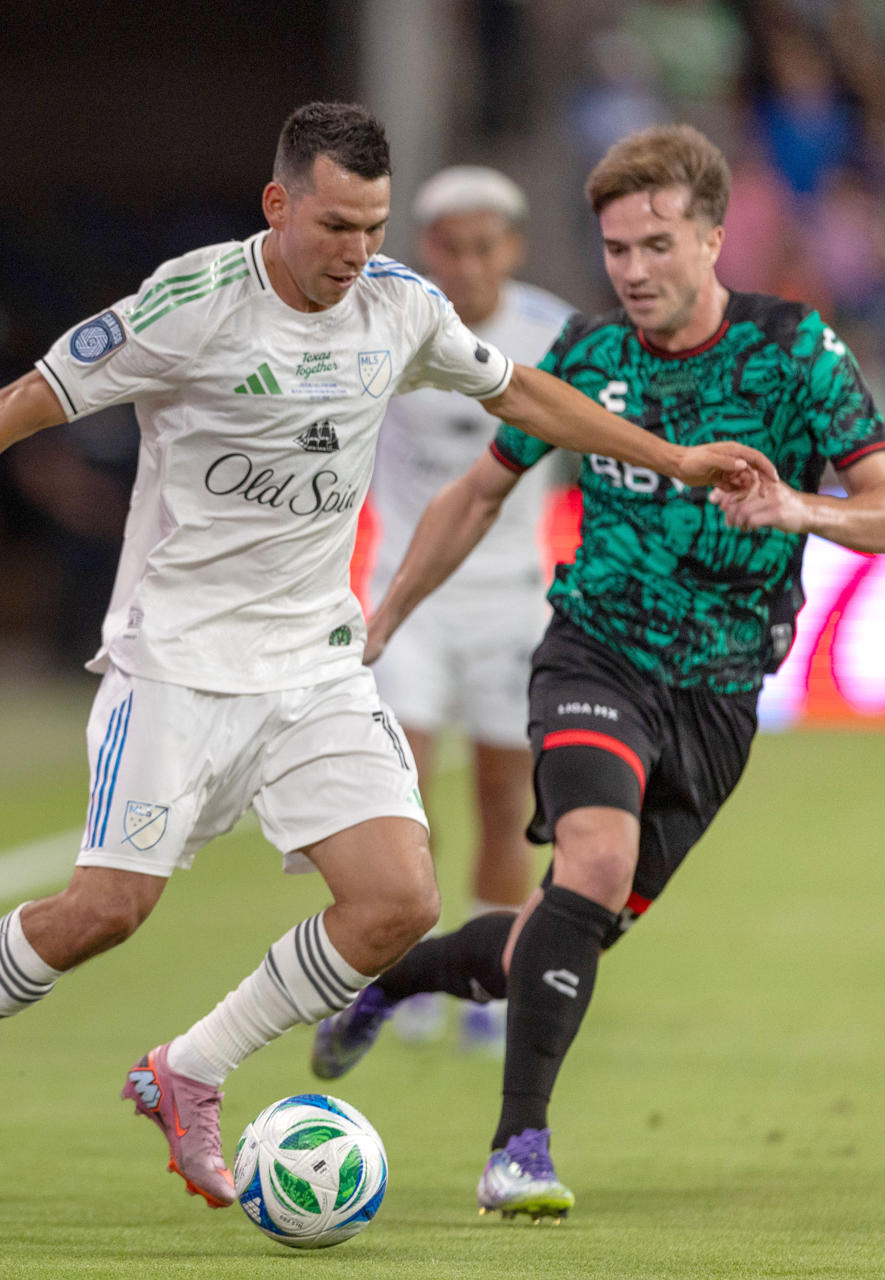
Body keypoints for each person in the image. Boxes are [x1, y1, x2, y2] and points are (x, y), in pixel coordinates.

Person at [0, 102, 770, 1210]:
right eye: (336, 225)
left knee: (398, 901)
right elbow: (19, 408)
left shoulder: (400, 306)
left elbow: (521, 391)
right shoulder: (188, 304)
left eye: (374, 226)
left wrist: (670, 455)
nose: (357, 250)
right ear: (277, 203)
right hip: (178, 662)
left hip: (315, 662)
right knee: (107, 910)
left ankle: (191, 1067)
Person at [312, 123, 885, 1222]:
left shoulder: (793, 350)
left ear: (713, 239)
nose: (632, 269)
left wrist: (798, 507)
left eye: (656, 244)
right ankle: (518, 1149)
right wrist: (387, 613)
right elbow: (479, 492)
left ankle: (397, 977)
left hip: (719, 697)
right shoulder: (588, 355)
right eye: (616, 248)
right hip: (594, 651)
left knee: (560, 931)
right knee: (592, 860)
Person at [350, 165, 576, 1055]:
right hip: (404, 595)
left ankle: (490, 975)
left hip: (510, 597)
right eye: (452, 247)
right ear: (427, 248)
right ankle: (412, 960)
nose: (470, 264)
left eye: (486, 246)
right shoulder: (379, 323)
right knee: (400, 788)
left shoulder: (555, 332)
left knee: (501, 794)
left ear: (512, 248)